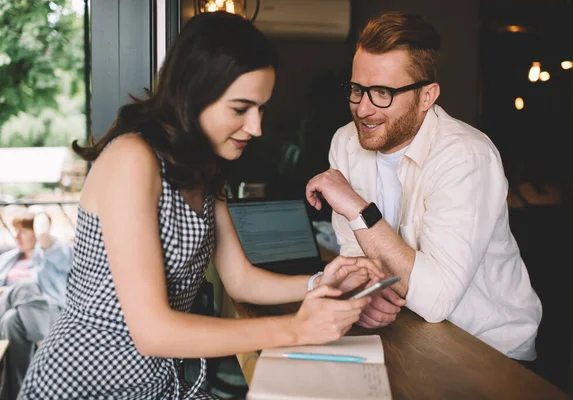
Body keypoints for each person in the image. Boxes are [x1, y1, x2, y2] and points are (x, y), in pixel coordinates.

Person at [19, 12, 383, 400]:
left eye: (261, 108)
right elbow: (153, 332)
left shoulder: (203, 168)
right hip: (88, 384)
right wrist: (298, 328)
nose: (257, 127)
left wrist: (320, 282)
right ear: (195, 93)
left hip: (158, 384)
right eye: (240, 108)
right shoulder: (133, 159)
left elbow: (240, 279)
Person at [306, 11, 542, 363]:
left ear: (427, 95)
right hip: (407, 332)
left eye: (383, 92)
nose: (363, 109)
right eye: (357, 90)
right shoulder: (346, 142)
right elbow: (354, 253)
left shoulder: (466, 157)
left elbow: (436, 300)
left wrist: (358, 208)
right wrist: (365, 292)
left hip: (489, 351)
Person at [0, 210, 72, 400]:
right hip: (6, 303)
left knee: (11, 320)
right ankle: (46, 350)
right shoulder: (7, 258)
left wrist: (41, 226)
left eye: (22, 231)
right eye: (15, 231)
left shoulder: (53, 253)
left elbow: (48, 240)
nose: (16, 237)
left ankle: (16, 395)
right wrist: (9, 292)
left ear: (35, 233)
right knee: (24, 289)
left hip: (46, 312)